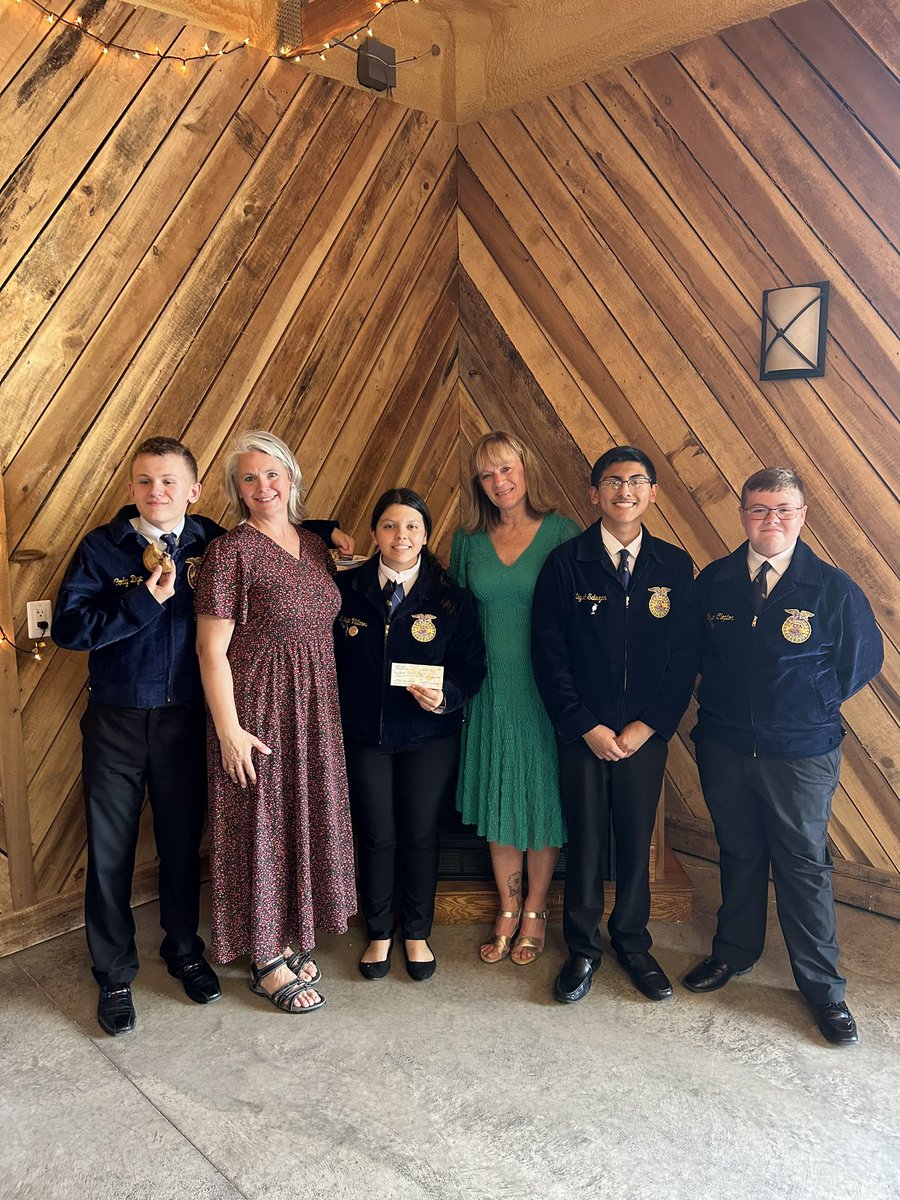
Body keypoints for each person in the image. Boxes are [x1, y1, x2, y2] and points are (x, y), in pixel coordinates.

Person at [683, 468, 883, 1046]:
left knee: (803, 866)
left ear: (803, 515)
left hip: (800, 753)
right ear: (743, 514)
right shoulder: (716, 581)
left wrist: (810, 702)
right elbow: (692, 653)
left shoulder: (832, 588)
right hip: (724, 747)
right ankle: (735, 951)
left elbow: (860, 661)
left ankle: (824, 989)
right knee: (739, 852)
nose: (771, 520)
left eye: (784, 510)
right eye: (759, 509)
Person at [53, 437, 224, 1037]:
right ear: (131, 489)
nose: (157, 493)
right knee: (110, 852)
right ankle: (114, 971)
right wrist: (141, 602)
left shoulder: (213, 543)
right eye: (146, 482)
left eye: (170, 482)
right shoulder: (103, 549)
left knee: (182, 845)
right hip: (117, 721)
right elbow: (71, 630)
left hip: (185, 720)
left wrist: (328, 531)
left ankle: (183, 949)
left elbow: (275, 538)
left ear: (194, 491)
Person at [194, 431, 357, 1014]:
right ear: (236, 490)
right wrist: (228, 730)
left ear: (291, 478)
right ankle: (264, 957)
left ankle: (287, 936)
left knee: (301, 819)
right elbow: (210, 651)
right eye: (249, 478)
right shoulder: (231, 551)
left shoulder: (313, 546)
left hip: (316, 709)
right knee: (259, 827)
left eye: (272, 474)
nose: (263, 486)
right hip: (257, 708)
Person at [531, 447, 696, 1005]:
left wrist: (649, 726)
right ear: (593, 493)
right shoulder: (566, 563)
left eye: (636, 482)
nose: (624, 491)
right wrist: (586, 726)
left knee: (634, 840)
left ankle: (632, 940)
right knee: (587, 838)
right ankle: (583, 947)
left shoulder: (674, 567)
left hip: (644, 736)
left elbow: (683, 657)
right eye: (612, 482)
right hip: (584, 734)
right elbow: (548, 655)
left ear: (651, 493)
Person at [333, 489, 486, 981]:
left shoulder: (450, 597)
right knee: (377, 836)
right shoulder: (345, 590)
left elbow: (473, 667)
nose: (402, 537)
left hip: (429, 737)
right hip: (364, 737)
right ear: (375, 533)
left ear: (426, 534)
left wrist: (447, 698)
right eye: (391, 527)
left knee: (420, 835)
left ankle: (416, 931)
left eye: (413, 527)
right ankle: (379, 931)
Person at [450, 432, 580, 965]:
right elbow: (452, 617)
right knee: (499, 799)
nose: (500, 482)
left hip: (544, 690)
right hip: (488, 690)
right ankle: (508, 905)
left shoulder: (562, 533)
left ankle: (536, 908)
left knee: (541, 800)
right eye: (487, 474)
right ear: (478, 484)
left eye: (507, 469)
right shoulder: (468, 540)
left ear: (526, 469)